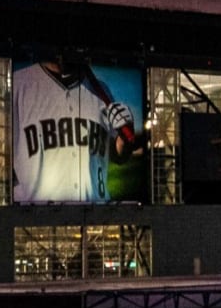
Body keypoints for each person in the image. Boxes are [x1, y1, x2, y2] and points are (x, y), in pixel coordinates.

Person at [10, 58, 143, 203]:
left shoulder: (101, 90)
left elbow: (118, 156)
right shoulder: (17, 85)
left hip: (96, 217)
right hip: (37, 220)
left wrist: (124, 139)